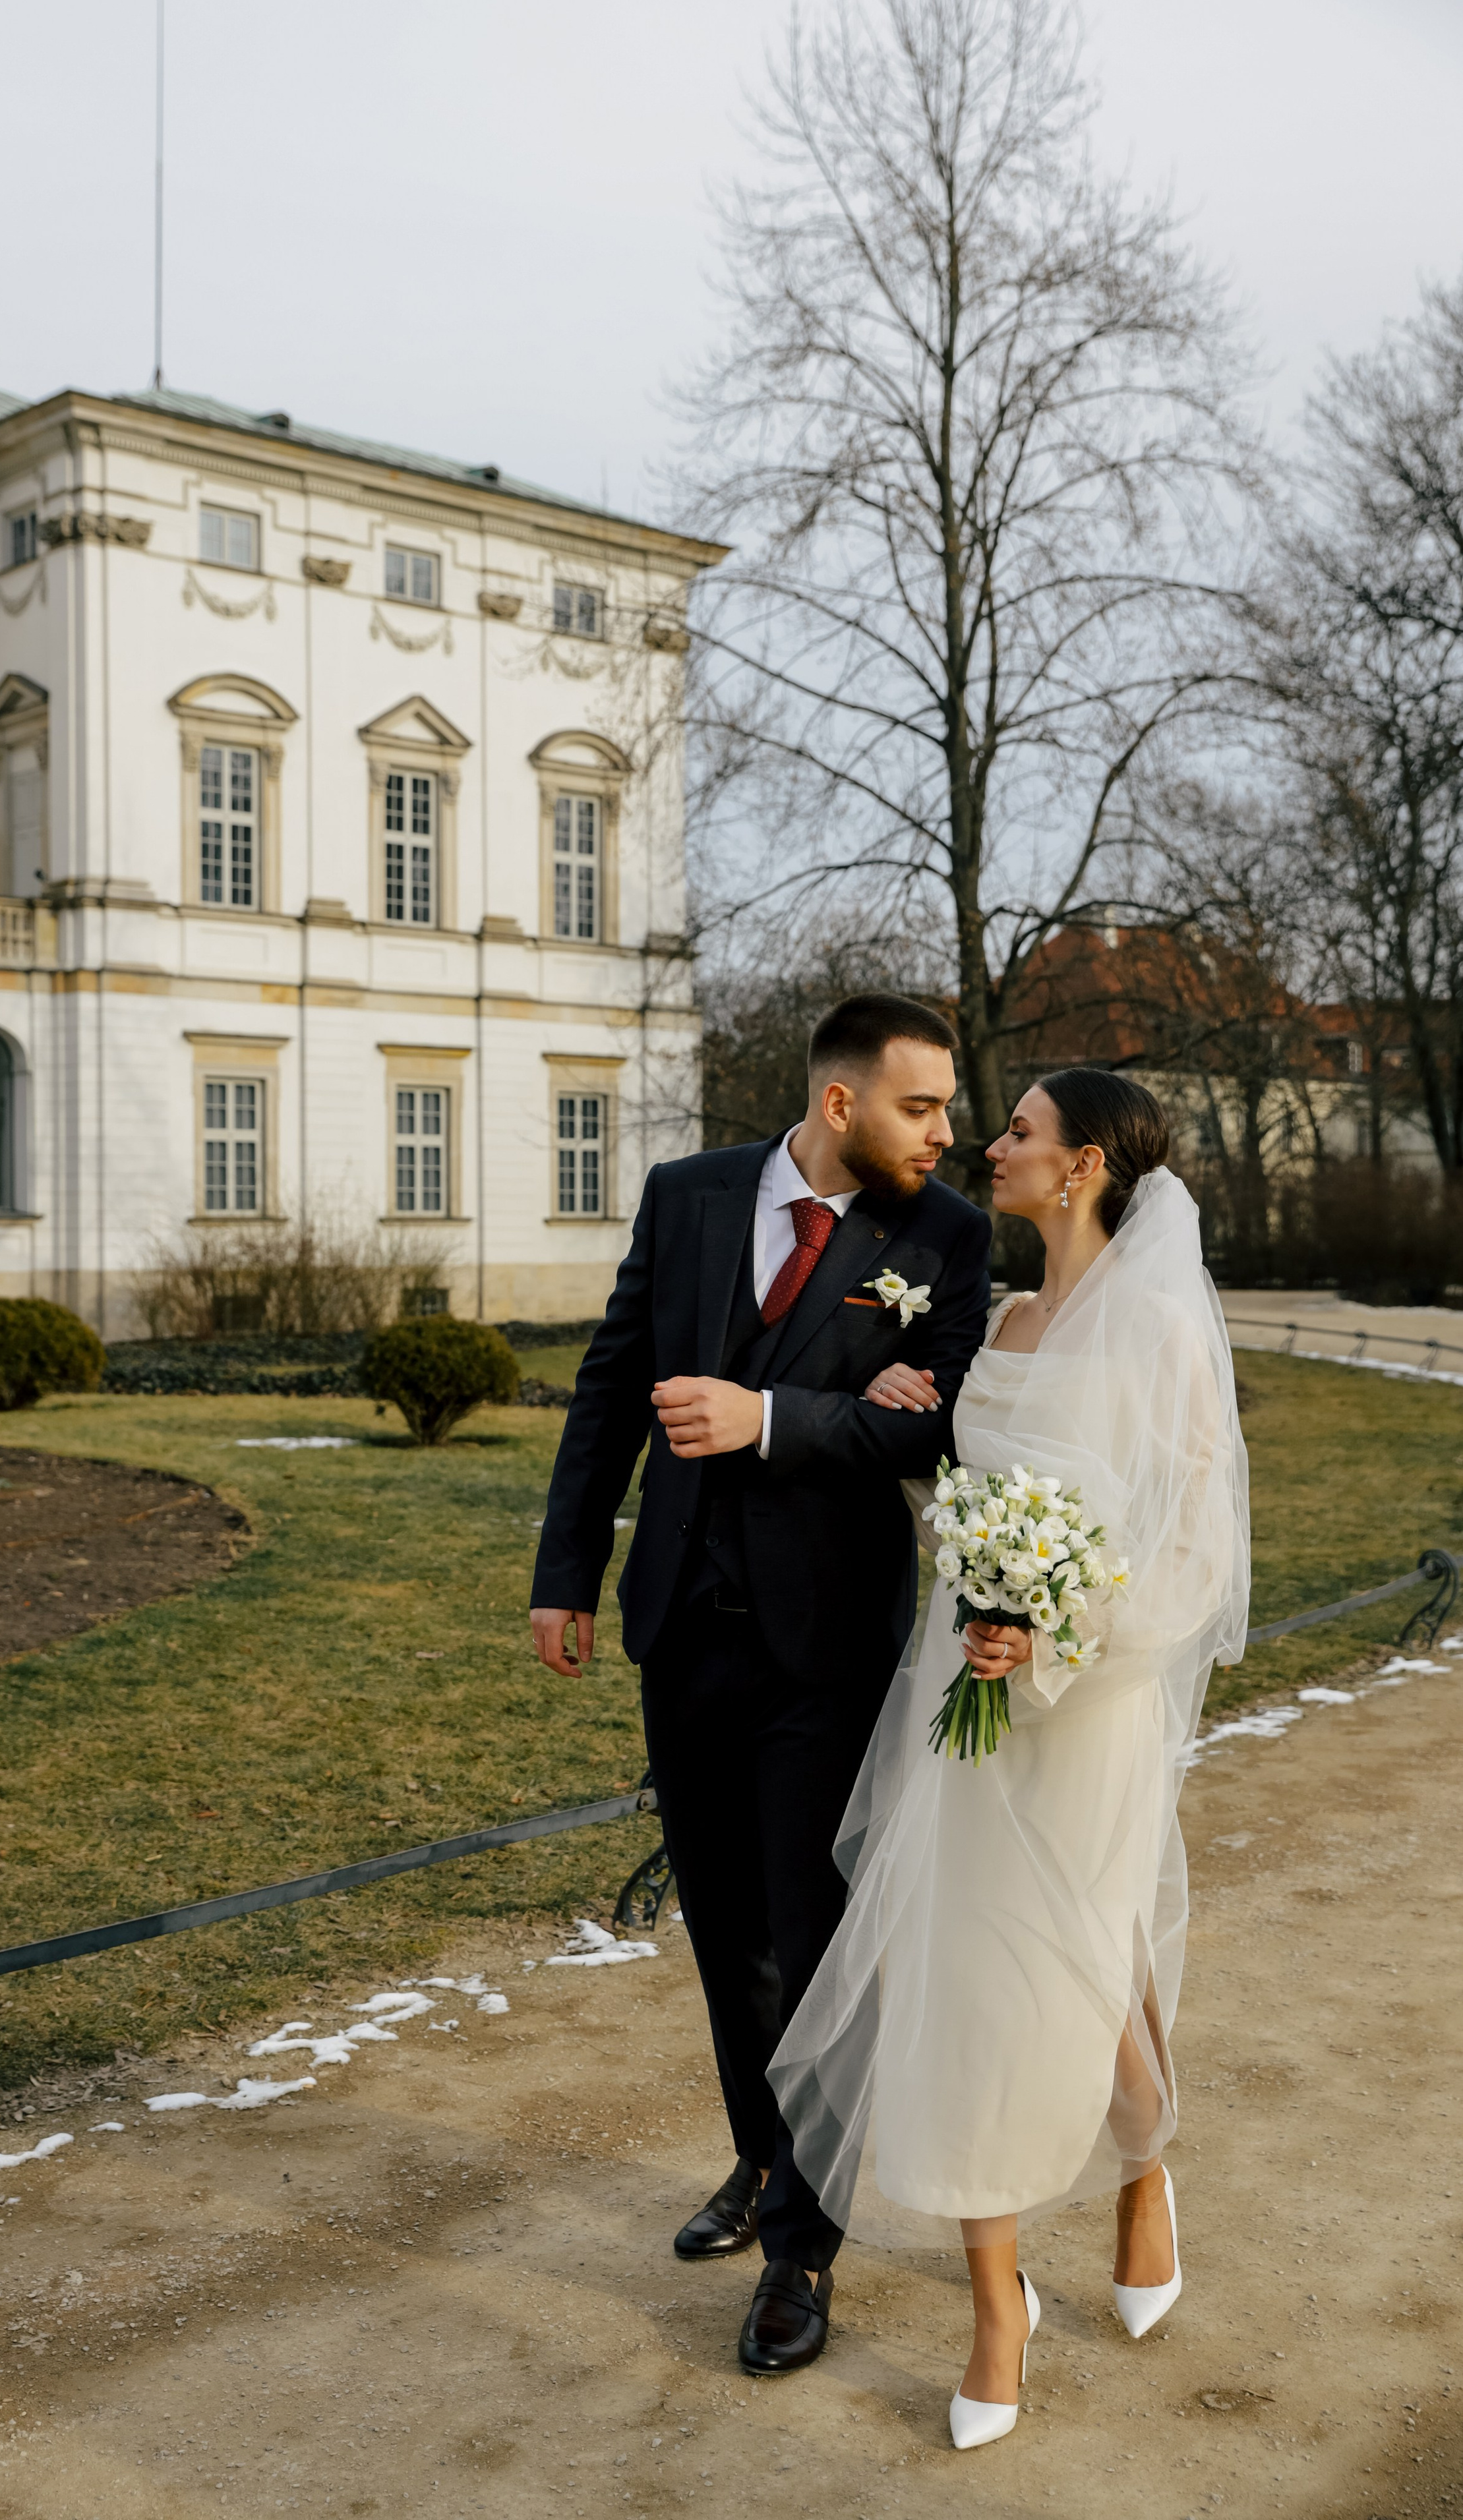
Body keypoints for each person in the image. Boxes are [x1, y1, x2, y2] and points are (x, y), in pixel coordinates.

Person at [769, 1069, 1251, 2448]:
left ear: (1082, 1164)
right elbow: (989, 1494)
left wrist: (1055, 1637)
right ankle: (997, 2304)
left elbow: (1192, 1556)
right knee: (965, 1986)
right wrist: (929, 1437)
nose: (995, 1145)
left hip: (1088, 1712)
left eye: (1021, 1132)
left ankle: (1141, 2169)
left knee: (1087, 1972)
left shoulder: (1159, 1329)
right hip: (965, 1703)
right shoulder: (1009, 1318)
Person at [529, 993, 992, 2375]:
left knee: (810, 1934)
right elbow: (611, 1390)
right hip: (682, 1622)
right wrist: (563, 1570)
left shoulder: (944, 1236)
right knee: (724, 1927)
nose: (944, 1131)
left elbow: (950, 1423)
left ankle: (802, 2243)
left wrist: (776, 1420)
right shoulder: (685, 1197)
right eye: (922, 1107)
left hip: (828, 1646)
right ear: (840, 1102)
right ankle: (756, 2153)